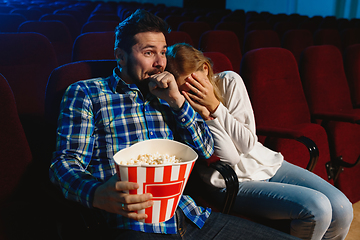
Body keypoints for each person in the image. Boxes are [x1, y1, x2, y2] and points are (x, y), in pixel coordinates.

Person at [49, 9, 300, 240]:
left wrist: (178, 103)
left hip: (189, 215)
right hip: (131, 221)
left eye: (162, 52)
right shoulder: (87, 93)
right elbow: (64, 163)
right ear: (120, 56)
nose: (160, 62)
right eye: (148, 53)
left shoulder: (170, 93)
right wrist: (95, 193)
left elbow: (205, 151)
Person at [165, 43, 354, 240]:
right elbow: (230, 157)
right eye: (183, 88)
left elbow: (247, 143)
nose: (191, 92)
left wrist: (215, 106)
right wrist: (206, 115)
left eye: (194, 83)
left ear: (205, 69)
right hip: (227, 180)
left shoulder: (229, 81)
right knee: (318, 209)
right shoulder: (181, 104)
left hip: (262, 161)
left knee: (343, 209)